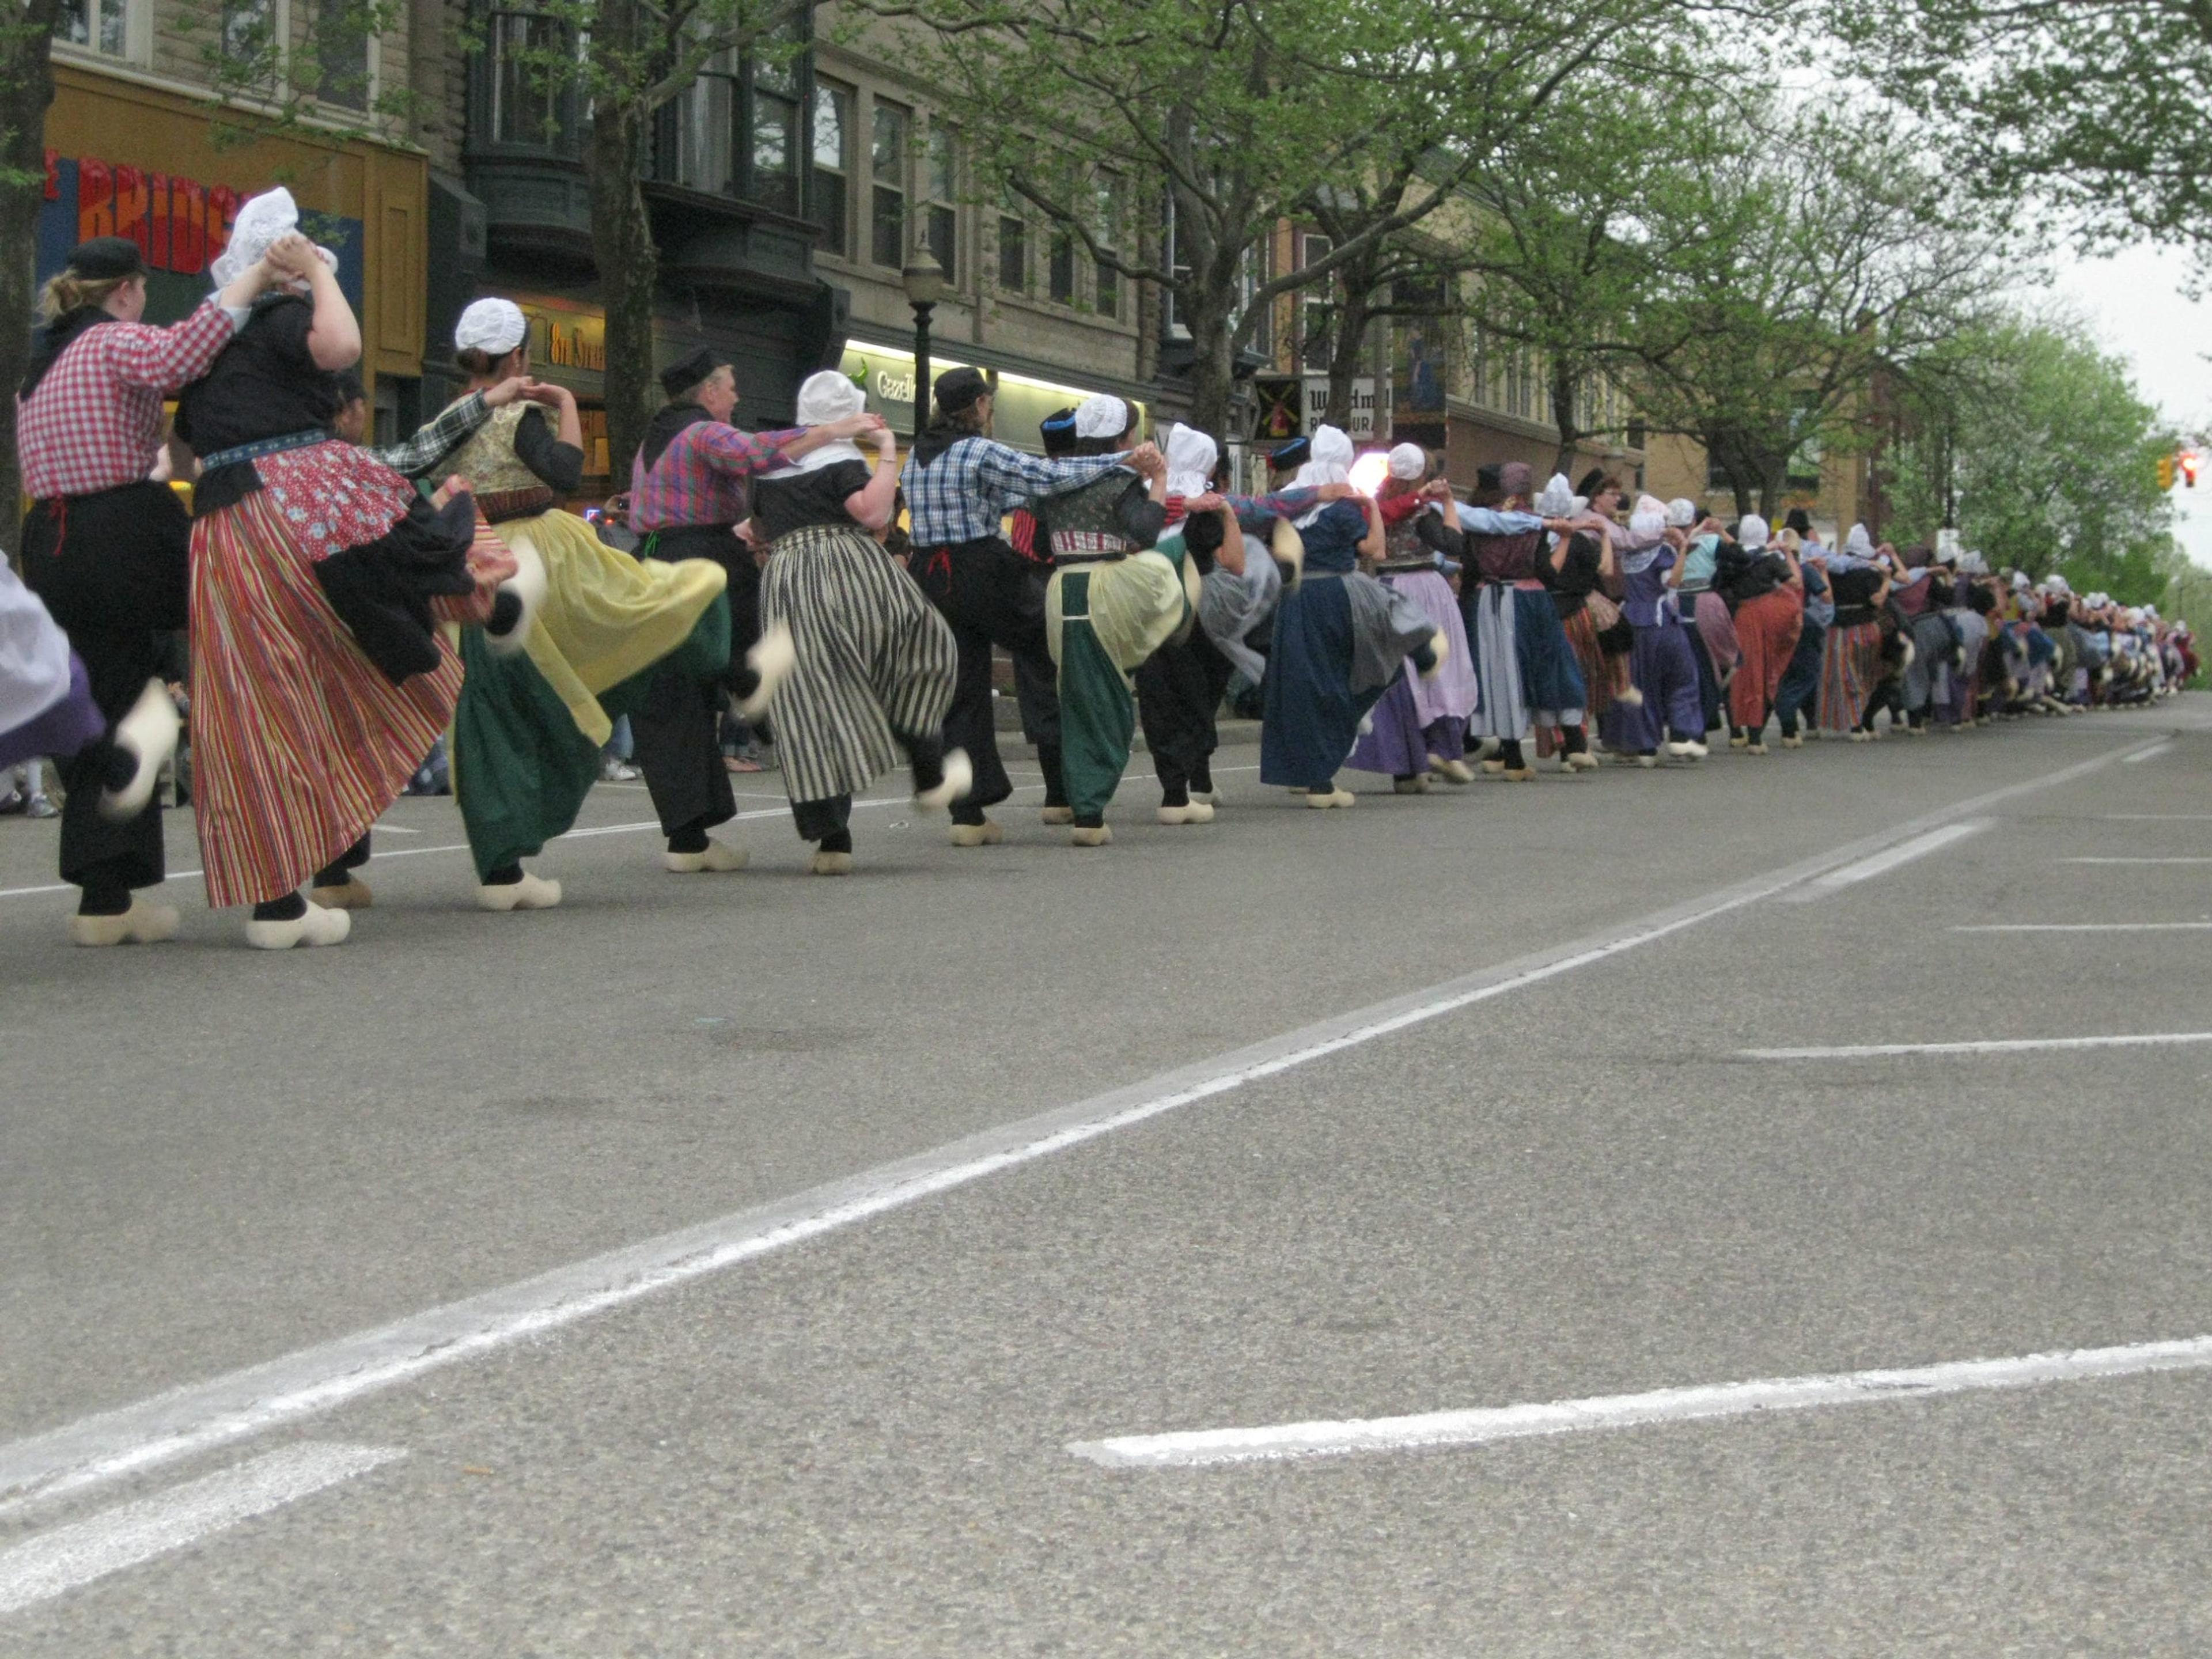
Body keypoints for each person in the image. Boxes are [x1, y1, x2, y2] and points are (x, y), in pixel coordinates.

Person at [171, 188, 518, 948]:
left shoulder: (208, 351)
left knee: (250, 705)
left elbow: (186, 452)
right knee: (354, 637)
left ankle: (276, 896)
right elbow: (343, 349)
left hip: (221, 529)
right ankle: (470, 585)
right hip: (290, 512)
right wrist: (317, 278)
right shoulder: (287, 317)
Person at [13, 233, 280, 944]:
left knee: (100, 696)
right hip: (123, 527)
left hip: (51, 541)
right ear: (128, 290)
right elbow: (181, 355)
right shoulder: (111, 342)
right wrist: (253, 278)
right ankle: (272, 848)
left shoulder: (40, 368)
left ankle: (107, 899)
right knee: (239, 625)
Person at [433, 298, 733, 909]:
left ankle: (502, 869)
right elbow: (567, 473)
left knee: (492, 709)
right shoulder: (518, 414)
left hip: (474, 560)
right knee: (653, 601)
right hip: (538, 559)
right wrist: (566, 404)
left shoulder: (448, 416)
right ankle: (714, 661)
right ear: (518, 356)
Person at [627, 346, 880, 872]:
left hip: (653, 571)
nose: (738, 396)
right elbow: (758, 453)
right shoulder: (702, 432)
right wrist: (834, 431)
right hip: (710, 568)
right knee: (779, 682)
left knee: (671, 701)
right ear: (710, 390)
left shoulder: (652, 442)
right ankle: (830, 830)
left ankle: (688, 841)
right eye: (732, 385)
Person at [900, 366, 1150, 845]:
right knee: (1057, 646)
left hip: (931, 577)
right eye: (988, 404)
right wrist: (1121, 464)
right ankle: (1074, 790)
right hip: (981, 568)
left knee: (963, 685)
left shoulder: (918, 456)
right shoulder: (977, 449)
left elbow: (1005, 494)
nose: (990, 411)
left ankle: (968, 814)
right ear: (977, 406)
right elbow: (1045, 476)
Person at [749, 369, 967, 873]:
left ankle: (832, 839)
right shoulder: (841, 461)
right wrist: (888, 449)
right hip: (846, 567)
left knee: (808, 700)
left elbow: (757, 528)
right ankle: (927, 765)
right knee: (921, 647)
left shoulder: (770, 469)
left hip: (785, 578)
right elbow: (873, 514)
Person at [1258, 425, 1440, 806]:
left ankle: (1305, 771)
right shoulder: (1343, 508)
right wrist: (1371, 507)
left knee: (1301, 686)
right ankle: (1321, 780)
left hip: (1293, 599)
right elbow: (1375, 550)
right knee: (1341, 680)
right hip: (1336, 595)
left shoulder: (1288, 503)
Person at [1030, 394, 1181, 844]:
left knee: (1075, 693)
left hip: (1062, 589)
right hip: (1105, 589)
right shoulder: (1119, 481)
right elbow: (1146, 532)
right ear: (1120, 438)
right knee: (1107, 695)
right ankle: (1090, 810)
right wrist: (1158, 479)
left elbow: (1041, 538)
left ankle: (1082, 803)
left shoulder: (1055, 480)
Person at [1346, 444, 1479, 792]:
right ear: (1423, 475)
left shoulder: (1374, 505)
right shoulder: (1422, 513)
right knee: (1439, 668)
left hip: (1386, 586)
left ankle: (1405, 768)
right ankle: (1442, 747)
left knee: (1397, 676)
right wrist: (1448, 503)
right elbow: (1452, 543)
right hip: (1424, 587)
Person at [1450, 463, 1589, 777]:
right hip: (1532, 601)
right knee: (1552, 663)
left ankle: (1512, 756)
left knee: (1501, 674)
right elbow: (1547, 572)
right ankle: (1574, 742)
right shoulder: (1534, 522)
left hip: (1489, 601)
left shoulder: (1482, 519)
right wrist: (1565, 539)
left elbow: (1470, 568)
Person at [1715, 514, 1802, 752]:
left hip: (1739, 615)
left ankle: (1737, 731)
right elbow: (1795, 582)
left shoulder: (1732, 557)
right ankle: (1756, 735)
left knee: (1743, 673)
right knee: (1767, 673)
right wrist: (1788, 554)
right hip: (1769, 615)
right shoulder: (1771, 559)